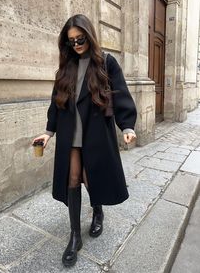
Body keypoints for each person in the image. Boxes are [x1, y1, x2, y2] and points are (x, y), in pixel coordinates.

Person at [32, 14, 137, 267]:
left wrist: (127, 125)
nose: (76, 44)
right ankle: (75, 236)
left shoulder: (106, 63)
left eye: (80, 39)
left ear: (89, 36)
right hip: (71, 136)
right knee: (72, 179)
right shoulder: (65, 68)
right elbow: (56, 103)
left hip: (96, 133)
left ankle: (98, 211)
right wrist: (48, 132)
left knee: (92, 177)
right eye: (71, 41)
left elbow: (120, 92)